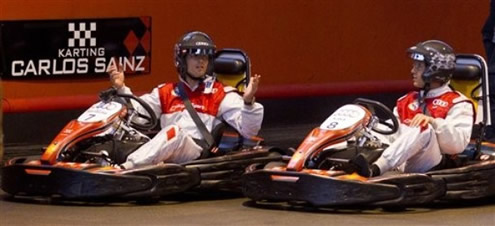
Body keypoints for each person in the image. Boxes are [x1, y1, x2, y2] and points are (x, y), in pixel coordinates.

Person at [108, 31, 263, 169]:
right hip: (169, 151)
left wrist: (248, 102)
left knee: (174, 132)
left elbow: (249, 130)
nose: (201, 61)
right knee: (122, 128)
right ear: (181, 60)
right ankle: (99, 159)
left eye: (204, 57)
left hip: (197, 153)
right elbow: (138, 116)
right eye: (195, 56)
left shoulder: (220, 93)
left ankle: (123, 169)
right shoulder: (165, 91)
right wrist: (121, 88)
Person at [354, 40, 475, 177]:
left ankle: (375, 169)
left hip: (434, 164)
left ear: (434, 70)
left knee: (423, 128)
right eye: (414, 66)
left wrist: (433, 122)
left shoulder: (458, 103)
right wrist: (367, 127)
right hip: (401, 160)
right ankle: (331, 157)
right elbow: (393, 134)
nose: (412, 71)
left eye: (418, 66)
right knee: (362, 124)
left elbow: (457, 145)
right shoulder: (406, 100)